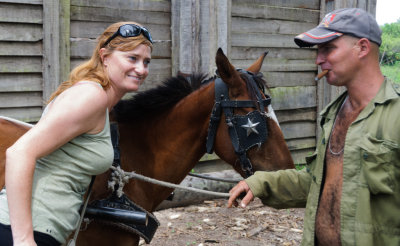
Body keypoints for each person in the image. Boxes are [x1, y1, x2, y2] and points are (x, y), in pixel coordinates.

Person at [228, 8, 400, 246]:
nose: (318, 60)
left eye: (328, 48)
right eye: (318, 51)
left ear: (362, 48)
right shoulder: (334, 114)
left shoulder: (396, 115)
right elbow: (318, 182)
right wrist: (258, 183)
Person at [0, 21, 153, 246]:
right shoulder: (91, 96)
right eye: (132, 58)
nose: (141, 69)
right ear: (105, 56)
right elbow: (19, 153)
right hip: (27, 230)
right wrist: (24, 239)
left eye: (146, 62)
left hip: (44, 229)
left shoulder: (99, 102)